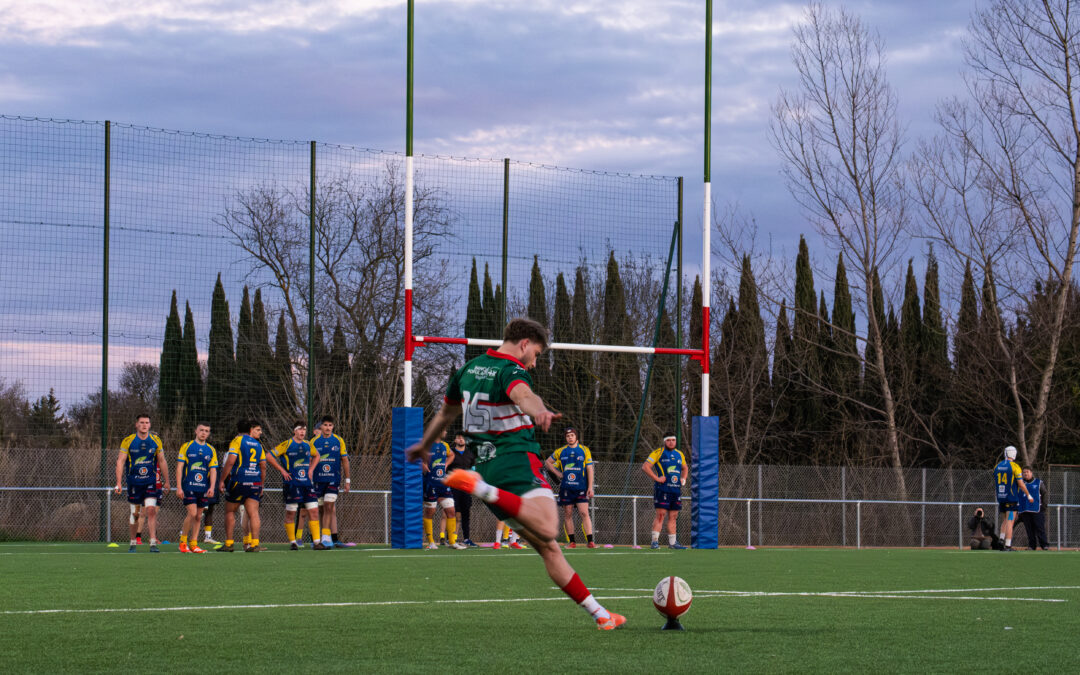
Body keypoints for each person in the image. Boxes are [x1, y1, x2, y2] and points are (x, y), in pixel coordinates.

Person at [406, 317, 625, 630]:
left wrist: (423, 446)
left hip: (486, 466)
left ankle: (600, 614)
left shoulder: (467, 371)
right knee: (550, 529)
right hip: (516, 460)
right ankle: (480, 488)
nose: (534, 362)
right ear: (524, 344)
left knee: (546, 547)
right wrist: (538, 411)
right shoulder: (511, 369)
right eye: (535, 353)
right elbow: (523, 394)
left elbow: (445, 414)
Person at [218, 419, 290, 552]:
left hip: (239, 480)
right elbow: (263, 467)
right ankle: (255, 544)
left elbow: (230, 461)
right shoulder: (258, 445)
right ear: (250, 430)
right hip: (255, 482)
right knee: (254, 513)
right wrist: (261, 484)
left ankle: (229, 544)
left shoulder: (237, 441)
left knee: (229, 511)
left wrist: (222, 480)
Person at [114, 414, 170, 553]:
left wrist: (167, 481)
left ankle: (152, 543)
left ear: (150, 425)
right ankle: (133, 542)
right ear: (136, 425)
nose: (144, 425)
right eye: (142, 422)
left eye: (147, 422)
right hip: (134, 483)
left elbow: (162, 461)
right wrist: (119, 482)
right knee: (135, 513)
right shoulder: (128, 441)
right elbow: (120, 461)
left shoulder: (156, 440)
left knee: (151, 510)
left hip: (150, 482)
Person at [272, 421, 327, 551]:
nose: (302, 432)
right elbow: (269, 455)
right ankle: (293, 542)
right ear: (294, 431)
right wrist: (282, 470)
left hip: (307, 484)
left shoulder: (308, 444)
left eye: (304, 430)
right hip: (292, 483)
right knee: (291, 513)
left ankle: (317, 542)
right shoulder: (287, 444)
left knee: (313, 511)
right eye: (299, 429)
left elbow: (317, 456)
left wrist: (311, 469)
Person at [545, 427, 596, 548]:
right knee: (568, 514)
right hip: (566, 488)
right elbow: (547, 462)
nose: (570, 437)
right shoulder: (561, 451)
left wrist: (590, 487)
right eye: (568, 436)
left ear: (576, 437)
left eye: (572, 435)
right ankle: (572, 542)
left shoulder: (584, 450)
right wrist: (558, 474)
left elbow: (589, 468)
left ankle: (590, 542)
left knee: (584, 513)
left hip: (581, 487)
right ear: (566, 438)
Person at [175, 422, 218, 554]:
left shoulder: (211, 449)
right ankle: (183, 542)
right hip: (189, 486)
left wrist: (212, 487)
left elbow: (213, 470)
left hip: (203, 488)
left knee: (199, 516)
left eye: (206, 431)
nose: (204, 433)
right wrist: (178, 487)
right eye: (201, 430)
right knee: (192, 514)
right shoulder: (187, 446)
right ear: (196, 431)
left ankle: (193, 544)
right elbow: (180, 467)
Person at [642, 433, 689, 550]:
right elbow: (645, 466)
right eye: (669, 440)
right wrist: (657, 478)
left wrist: (683, 478)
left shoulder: (680, 454)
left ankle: (673, 543)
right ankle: (654, 542)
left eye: (673, 440)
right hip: (662, 489)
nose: (671, 442)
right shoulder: (658, 452)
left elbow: (685, 467)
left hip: (675, 490)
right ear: (665, 441)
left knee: (673, 516)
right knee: (661, 515)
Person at [312, 415, 350, 548]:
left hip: (333, 480)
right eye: (325, 425)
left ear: (333, 427)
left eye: (330, 425)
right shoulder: (314, 442)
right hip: (318, 481)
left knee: (329, 506)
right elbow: (309, 461)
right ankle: (319, 538)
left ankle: (326, 538)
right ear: (321, 427)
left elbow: (345, 460)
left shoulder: (339, 440)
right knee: (321, 509)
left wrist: (347, 480)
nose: (328, 428)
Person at [423, 429, 465, 550]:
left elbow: (451, 455)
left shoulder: (445, 445)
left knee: (451, 511)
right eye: (444, 430)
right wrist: (423, 465)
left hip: (443, 483)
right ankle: (431, 542)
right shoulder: (427, 444)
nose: (446, 432)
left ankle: (452, 542)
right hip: (430, 483)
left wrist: (446, 464)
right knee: (430, 512)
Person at [994, 445, 1034, 551]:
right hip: (1011, 498)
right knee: (1010, 522)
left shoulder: (997, 466)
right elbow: (1021, 484)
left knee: (1004, 520)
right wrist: (1029, 495)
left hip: (1001, 497)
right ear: (1014, 454)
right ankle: (1008, 545)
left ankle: (1001, 540)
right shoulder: (1015, 466)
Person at [447, 432, 478, 547]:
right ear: (455, 440)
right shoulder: (450, 453)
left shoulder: (470, 453)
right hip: (453, 487)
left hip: (466, 488)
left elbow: (473, 469)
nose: (461, 439)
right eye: (458, 437)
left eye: (463, 438)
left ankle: (466, 539)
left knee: (466, 513)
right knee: (452, 512)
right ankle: (450, 539)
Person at [1017, 468, 1050, 550]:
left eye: (1027, 472)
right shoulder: (1020, 484)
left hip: (1036, 509)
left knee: (1040, 528)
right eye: (1024, 472)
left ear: (1031, 473)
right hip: (1025, 510)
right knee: (1029, 530)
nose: (1025, 474)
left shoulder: (1038, 482)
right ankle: (1032, 545)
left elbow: (1044, 493)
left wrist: (1044, 506)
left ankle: (1044, 545)